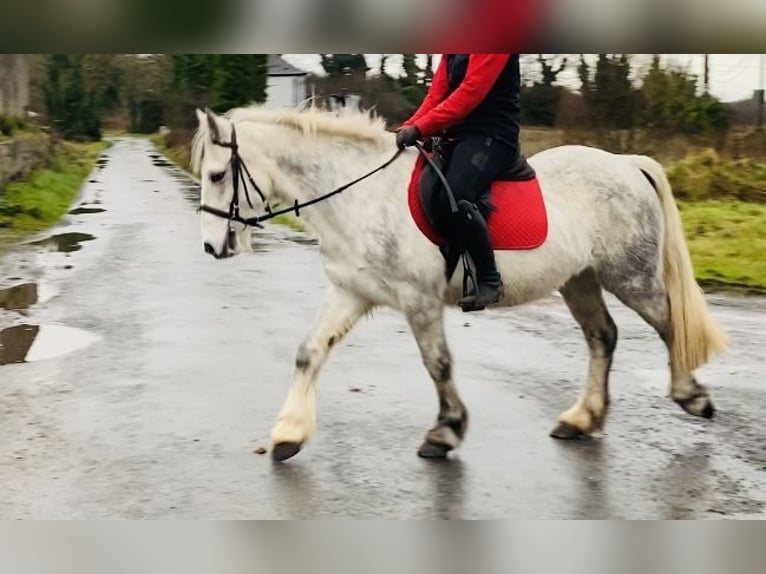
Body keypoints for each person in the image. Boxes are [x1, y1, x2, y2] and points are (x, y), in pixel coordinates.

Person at [396, 54, 522, 312]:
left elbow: (470, 93)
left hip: (493, 135)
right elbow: (437, 94)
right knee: (426, 186)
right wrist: (410, 126)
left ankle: (488, 278)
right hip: (459, 137)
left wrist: (421, 128)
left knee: (454, 194)